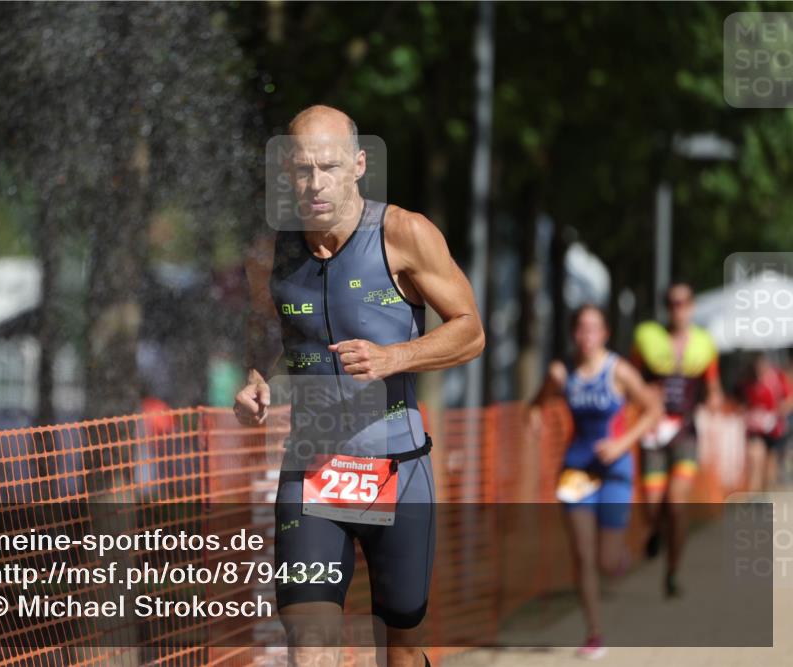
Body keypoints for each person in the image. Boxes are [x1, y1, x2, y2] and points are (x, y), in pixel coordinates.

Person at [234, 105, 484, 667]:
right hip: (312, 472)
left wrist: (396, 356)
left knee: (400, 639)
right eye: (301, 170)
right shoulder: (272, 250)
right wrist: (257, 379)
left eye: (328, 166)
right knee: (310, 641)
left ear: (358, 166)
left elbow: (470, 332)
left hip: (396, 467)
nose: (315, 183)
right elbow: (271, 332)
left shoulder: (404, 234)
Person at [529, 305, 661, 659]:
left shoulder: (619, 371)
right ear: (574, 333)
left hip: (616, 470)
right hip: (576, 469)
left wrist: (621, 443)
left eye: (594, 329)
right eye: (581, 329)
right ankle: (594, 633)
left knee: (606, 560)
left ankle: (618, 557)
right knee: (583, 555)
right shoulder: (562, 372)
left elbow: (652, 410)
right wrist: (535, 414)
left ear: (604, 334)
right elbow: (537, 401)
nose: (586, 336)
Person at [630, 282, 722, 597]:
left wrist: (714, 402)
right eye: (672, 303)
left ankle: (672, 572)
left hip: (685, 432)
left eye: (683, 303)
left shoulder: (704, 345)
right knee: (654, 507)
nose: (678, 308)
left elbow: (713, 389)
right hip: (653, 433)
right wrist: (643, 395)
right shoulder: (647, 340)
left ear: (692, 306)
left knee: (677, 503)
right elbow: (630, 380)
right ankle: (656, 531)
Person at [741, 353, 793, 492]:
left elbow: (789, 399)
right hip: (756, 430)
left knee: (769, 466)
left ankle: (766, 492)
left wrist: (777, 412)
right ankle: (753, 495)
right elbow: (744, 403)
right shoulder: (749, 381)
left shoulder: (777, 378)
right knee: (756, 458)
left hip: (774, 428)